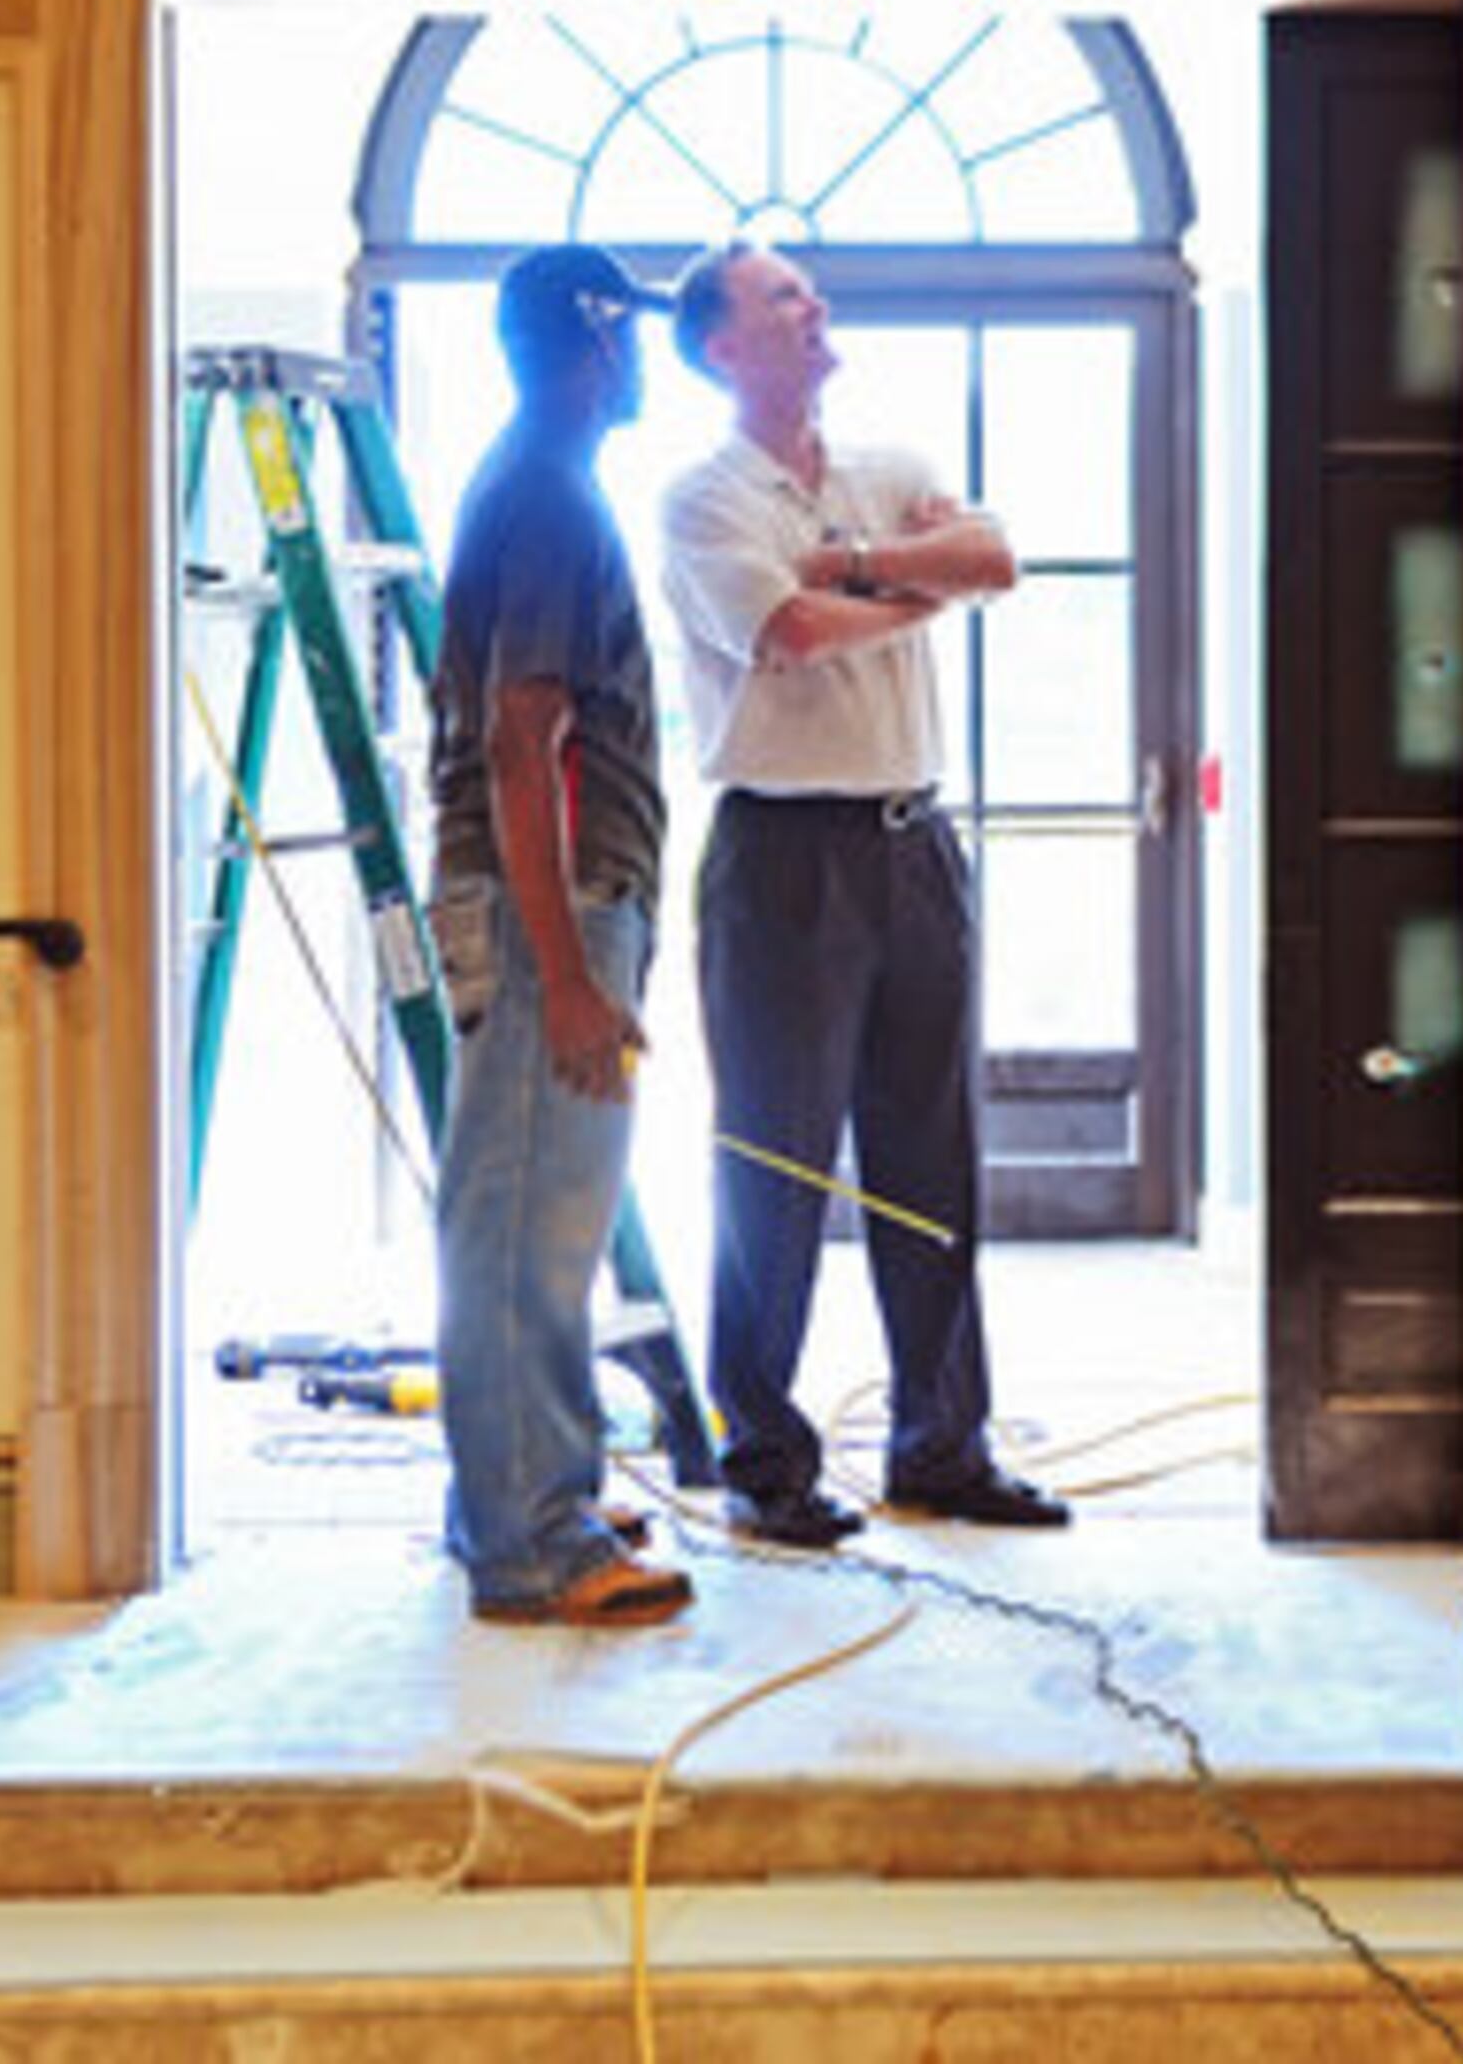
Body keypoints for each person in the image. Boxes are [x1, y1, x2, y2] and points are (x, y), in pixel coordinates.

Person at [658, 241, 1071, 1548]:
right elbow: (783, 635)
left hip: (915, 848)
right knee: (776, 1167)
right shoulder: (703, 498)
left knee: (931, 1157)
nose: (814, 307)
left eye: (810, 290)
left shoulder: (886, 469)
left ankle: (941, 1447)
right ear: (723, 345)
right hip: (785, 861)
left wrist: (852, 573)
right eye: (783, 295)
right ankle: (767, 1466)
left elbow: (996, 558)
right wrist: (906, 582)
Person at [424, 244, 693, 1626]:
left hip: (557, 909)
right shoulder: (546, 500)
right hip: (554, 916)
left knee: (525, 1212)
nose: (645, 359)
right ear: (593, 344)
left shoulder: (536, 487)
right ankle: (534, 1541)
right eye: (630, 334)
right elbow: (525, 746)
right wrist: (576, 978)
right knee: (532, 1219)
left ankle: (526, 1486)